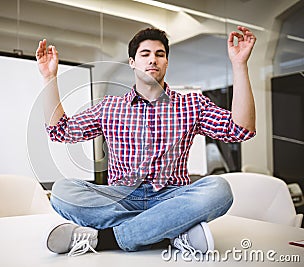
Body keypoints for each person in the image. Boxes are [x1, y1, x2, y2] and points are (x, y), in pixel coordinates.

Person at [36, 26, 256, 256]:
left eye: (160, 54)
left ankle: (107, 239)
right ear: (132, 62)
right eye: (145, 54)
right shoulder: (110, 107)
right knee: (62, 192)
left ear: (167, 62)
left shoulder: (192, 104)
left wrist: (240, 65)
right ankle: (169, 232)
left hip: (171, 197)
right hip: (120, 197)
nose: (153, 59)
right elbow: (60, 131)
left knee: (219, 190)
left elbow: (241, 129)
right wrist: (49, 77)